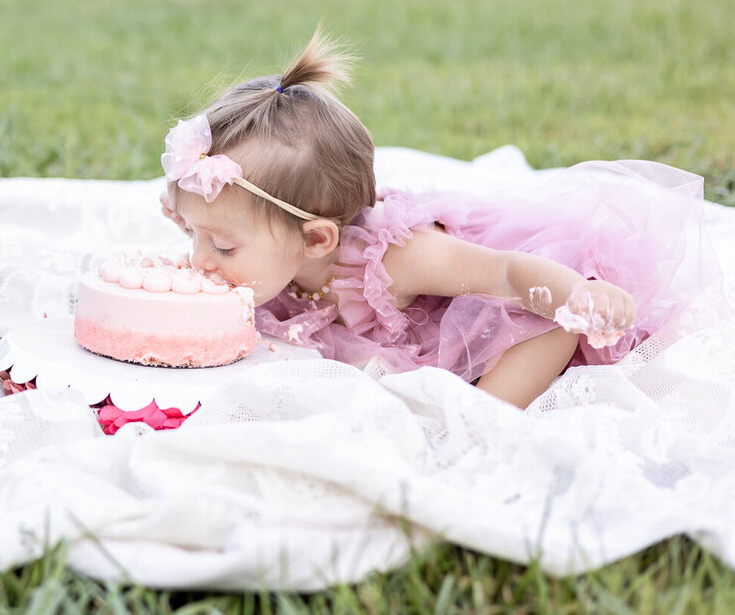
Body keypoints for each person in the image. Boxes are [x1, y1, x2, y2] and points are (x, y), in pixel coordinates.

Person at [160, 33, 718, 409]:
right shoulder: (271, 253)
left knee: (543, 325)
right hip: (444, 294)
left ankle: (488, 414)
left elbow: (504, 273)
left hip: (512, 289)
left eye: (223, 248)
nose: (201, 262)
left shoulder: (397, 260)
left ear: (316, 239)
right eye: (193, 235)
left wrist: (574, 294)